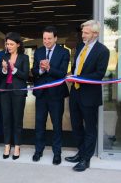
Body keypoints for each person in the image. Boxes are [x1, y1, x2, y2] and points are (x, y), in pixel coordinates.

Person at [65, 20, 109, 171]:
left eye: (86, 33)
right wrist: (71, 75)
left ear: (95, 34)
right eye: (82, 32)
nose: (82, 35)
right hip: (75, 93)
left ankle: (86, 159)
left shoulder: (103, 51)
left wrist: (78, 78)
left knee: (90, 128)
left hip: (89, 96)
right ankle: (81, 152)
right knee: (76, 125)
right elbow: (76, 68)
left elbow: (99, 74)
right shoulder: (79, 48)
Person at [31, 26, 70, 165]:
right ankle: (38, 150)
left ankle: (57, 153)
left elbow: (62, 73)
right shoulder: (39, 51)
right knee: (39, 123)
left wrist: (49, 68)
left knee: (57, 125)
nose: (46, 41)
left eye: (49, 38)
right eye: (44, 38)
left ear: (55, 38)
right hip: (41, 94)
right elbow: (33, 71)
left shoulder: (64, 52)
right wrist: (41, 70)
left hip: (56, 95)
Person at [0, 32, 29, 160]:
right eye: (7, 44)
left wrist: (14, 68)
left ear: (18, 44)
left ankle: (17, 146)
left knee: (17, 120)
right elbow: (0, 75)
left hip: (18, 92)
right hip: (5, 92)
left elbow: (26, 75)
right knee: (6, 120)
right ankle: (7, 145)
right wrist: (5, 69)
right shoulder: (3, 56)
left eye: (11, 44)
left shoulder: (24, 58)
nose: (9, 46)